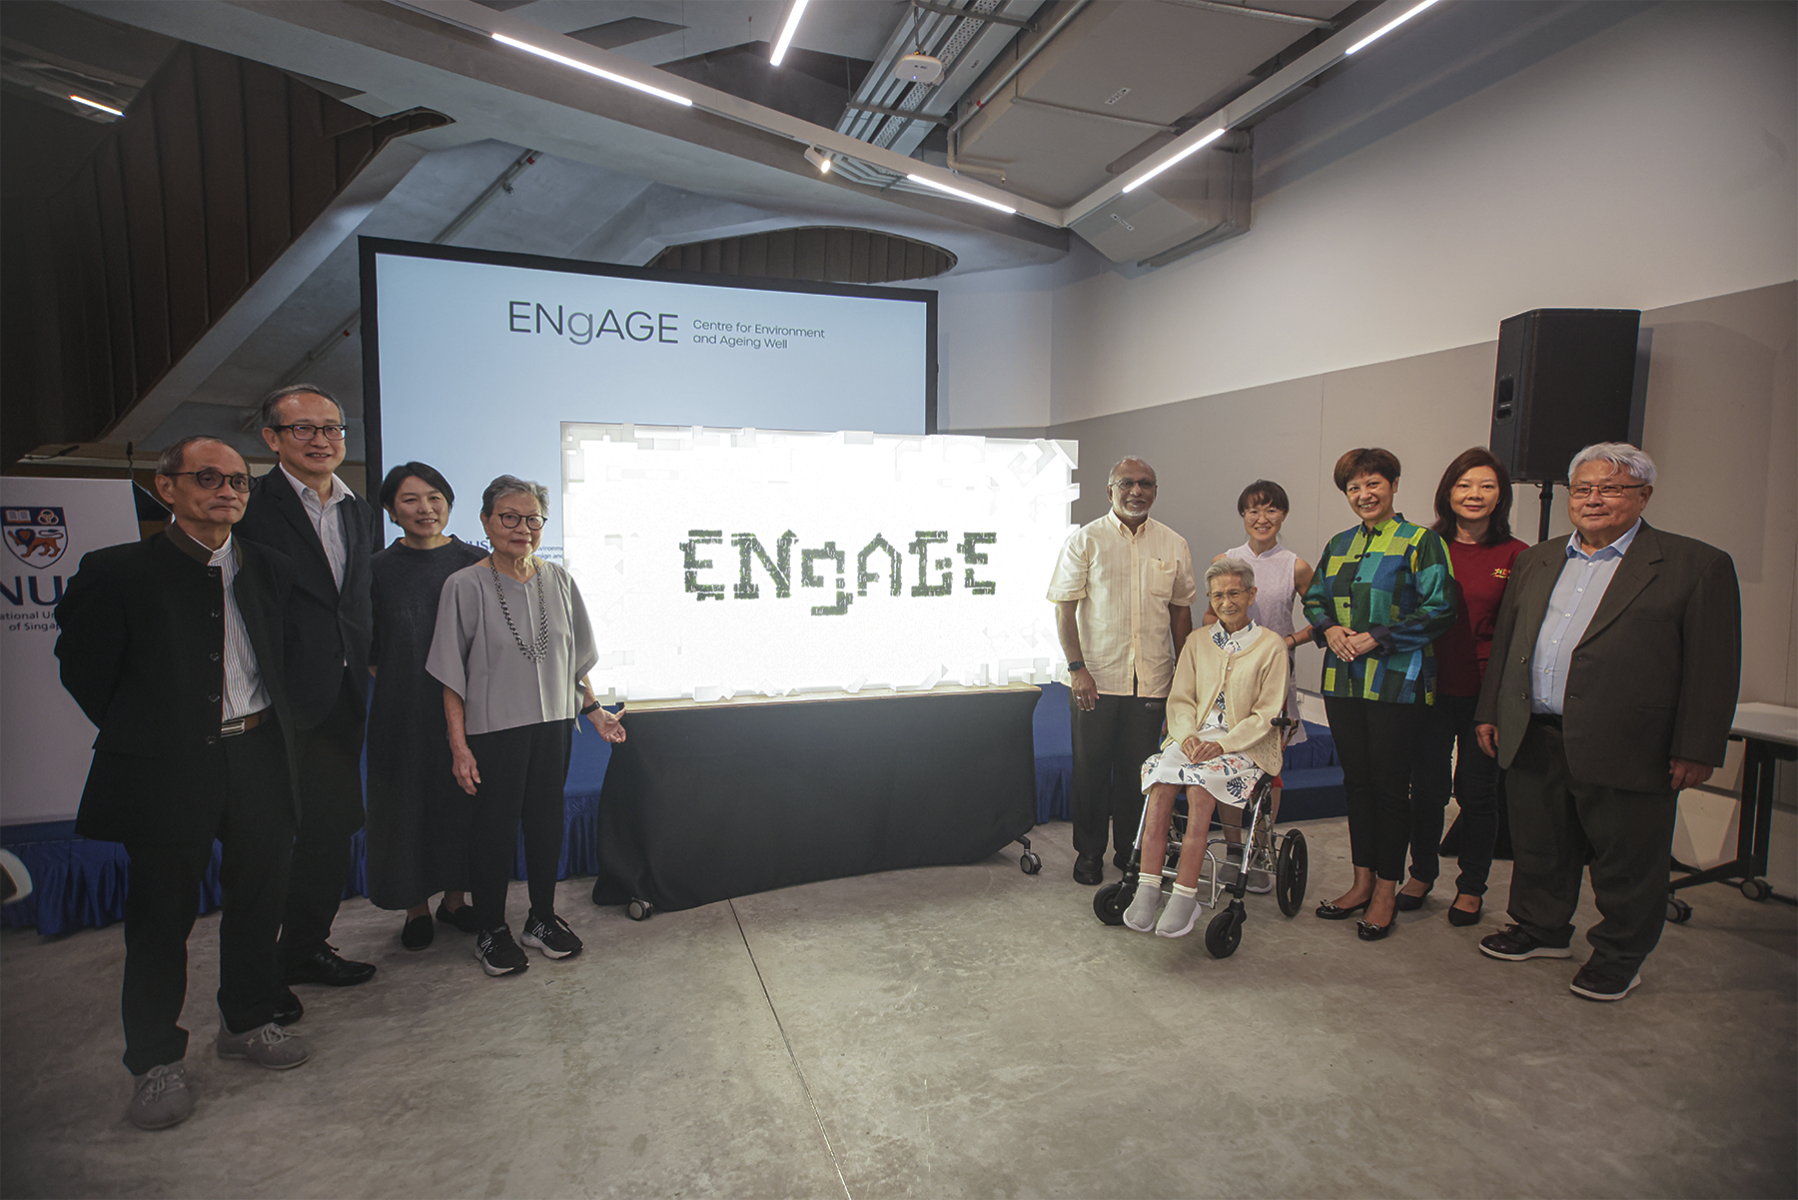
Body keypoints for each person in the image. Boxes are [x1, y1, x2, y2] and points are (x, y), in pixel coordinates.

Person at [55, 437, 310, 1131]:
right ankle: (155, 1059)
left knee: (261, 899)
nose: (226, 490)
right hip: (167, 768)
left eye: (237, 481)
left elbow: (282, 662)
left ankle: (249, 1018)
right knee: (161, 918)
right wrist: (153, 728)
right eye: (207, 477)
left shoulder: (270, 566)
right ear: (167, 488)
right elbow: (83, 668)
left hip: (257, 754)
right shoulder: (116, 572)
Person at [1474, 443, 1740, 1001]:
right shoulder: (1538, 559)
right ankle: (1542, 927)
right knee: (1541, 844)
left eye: (1612, 488)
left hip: (1631, 742)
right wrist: (1492, 708)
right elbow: (1509, 644)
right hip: (1535, 730)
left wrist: (1697, 746)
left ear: (1644, 496)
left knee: (1627, 859)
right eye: (1584, 488)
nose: (1594, 499)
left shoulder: (1695, 565)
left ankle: (1620, 955)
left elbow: (1713, 667)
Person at [426, 476, 627, 976]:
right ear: (486, 522)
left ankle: (541, 918)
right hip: (494, 731)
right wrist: (458, 745)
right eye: (509, 517)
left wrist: (594, 709)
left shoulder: (558, 579)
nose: (522, 527)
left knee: (545, 825)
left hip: (554, 725)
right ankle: (491, 928)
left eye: (533, 518)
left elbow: (576, 658)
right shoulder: (464, 585)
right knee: (492, 831)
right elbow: (450, 674)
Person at [236, 383, 382, 1001]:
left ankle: (302, 948)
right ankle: (255, 975)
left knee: (330, 827)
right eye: (304, 429)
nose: (321, 440)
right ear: (271, 439)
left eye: (332, 429)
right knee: (269, 840)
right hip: (272, 699)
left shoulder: (358, 507)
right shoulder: (249, 503)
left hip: (343, 692)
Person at [1302, 448, 1455, 941]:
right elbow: (1315, 597)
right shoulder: (1340, 542)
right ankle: (1361, 880)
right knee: (1357, 785)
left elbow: (1440, 609)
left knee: (1390, 789)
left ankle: (1387, 888)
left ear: (1393, 485)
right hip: (1343, 681)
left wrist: (1377, 636)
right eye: (1354, 488)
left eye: (1373, 484)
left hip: (1398, 681)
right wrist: (1327, 629)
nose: (1364, 495)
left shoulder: (1421, 541)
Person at [1047, 457, 1197, 885]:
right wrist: (1077, 669)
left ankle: (1131, 851)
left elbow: (1181, 613)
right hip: (1095, 679)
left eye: (1146, 483)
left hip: (1151, 680)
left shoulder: (1174, 544)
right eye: (1127, 483)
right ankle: (1089, 853)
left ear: (1155, 490)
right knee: (1091, 770)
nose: (1137, 491)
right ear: (1109, 490)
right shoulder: (1085, 540)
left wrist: (1185, 679)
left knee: (1140, 773)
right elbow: (1065, 609)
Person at [1123, 559, 1289, 938]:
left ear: (1251, 594)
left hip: (1244, 745)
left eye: (1234, 593)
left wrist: (1222, 744)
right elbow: (1180, 700)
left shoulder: (1271, 647)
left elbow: (1266, 714)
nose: (1226, 602)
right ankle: (1148, 887)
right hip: (1194, 739)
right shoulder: (1197, 643)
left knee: (1199, 791)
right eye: (1218, 595)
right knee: (1161, 786)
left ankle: (1185, 895)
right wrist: (1187, 737)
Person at [1403, 448, 1528, 926]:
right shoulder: (1422, 545)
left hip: (1484, 696)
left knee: (1477, 795)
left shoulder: (1517, 556)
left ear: (1501, 496)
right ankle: (1421, 873)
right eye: (1464, 485)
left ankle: (1471, 887)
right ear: (1447, 492)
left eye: (1487, 486)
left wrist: (1498, 702)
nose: (1474, 495)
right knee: (1427, 790)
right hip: (1428, 689)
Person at [365, 463, 488, 948]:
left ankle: (454, 901)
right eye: (411, 500)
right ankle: (415, 908)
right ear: (392, 511)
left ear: (449, 504)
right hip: (402, 708)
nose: (425, 509)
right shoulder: (376, 569)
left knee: (462, 803)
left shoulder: (477, 561)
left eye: (435, 497)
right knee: (406, 804)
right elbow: (371, 648)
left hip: (471, 707)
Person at [1204, 479, 1316, 892]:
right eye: (1253, 510)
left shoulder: (1295, 565)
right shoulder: (1226, 559)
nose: (1262, 518)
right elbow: (1208, 617)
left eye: (1271, 510)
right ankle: (1235, 849)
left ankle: (1262, 845)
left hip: (1274, 679)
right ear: (1242, 516)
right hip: (1230, 679)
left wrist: (1288, 640)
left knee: (1267, 768)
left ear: (1283, 515)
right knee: (1230, 762)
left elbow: (1323, 619)